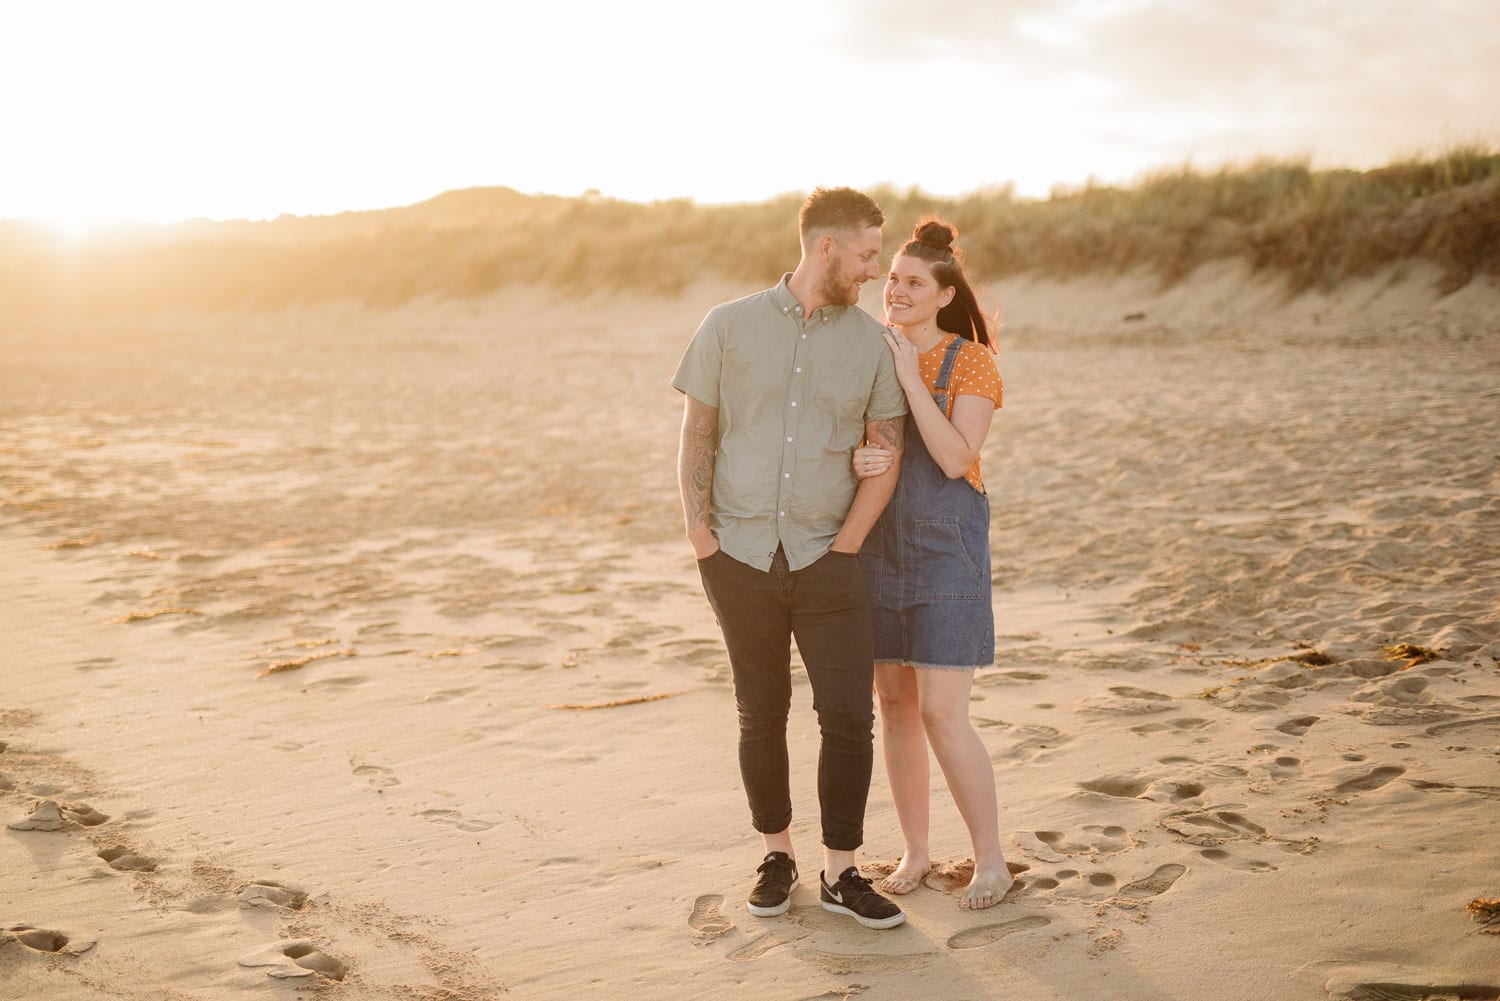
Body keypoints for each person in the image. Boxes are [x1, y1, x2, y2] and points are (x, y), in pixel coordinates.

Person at [672, 187, 911, 929]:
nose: (877, 270)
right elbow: (697, 435)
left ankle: (842, 869)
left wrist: (846, 548)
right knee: (760, 710)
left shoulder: (872, 343)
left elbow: (887, 449)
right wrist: (701, 537)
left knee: (847, 714)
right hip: (737, 554)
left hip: (828, 557)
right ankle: (776, 854)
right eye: (869, 253)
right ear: (827, 246)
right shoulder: (727, 325)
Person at [852, 215, 1013, 909]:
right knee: (894, 705)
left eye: (914, 282)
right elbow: (854, 450)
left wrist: (910, 377)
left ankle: (992, 862)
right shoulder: (866, 352)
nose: (897, 291)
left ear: (944, 294)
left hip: (948, 555)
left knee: (945, 712)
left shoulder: (970, 361)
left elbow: (954, 457)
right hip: (878, 552)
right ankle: (916, 850)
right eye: (891, 279)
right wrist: (855, 459)